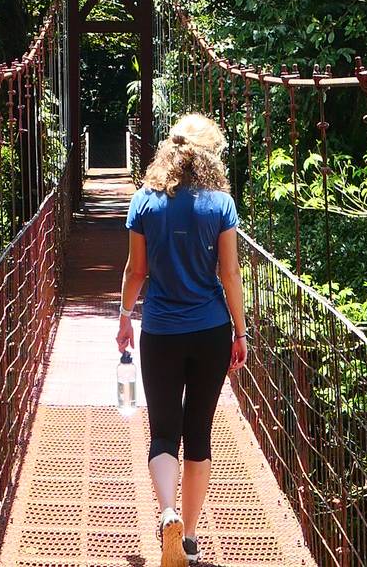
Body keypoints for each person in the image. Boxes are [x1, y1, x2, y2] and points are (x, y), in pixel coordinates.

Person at [116, 113, 249, 567]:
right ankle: (189, 540)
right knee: (199, 434)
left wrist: (123, 317)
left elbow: (137, 272)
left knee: (163, 433)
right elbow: (229, 274)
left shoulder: (143, 202)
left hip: (161, 331)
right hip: (212, 332)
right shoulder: (221, 205)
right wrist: (241, 330)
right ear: (209, 156)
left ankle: (167, 512)